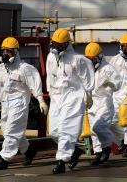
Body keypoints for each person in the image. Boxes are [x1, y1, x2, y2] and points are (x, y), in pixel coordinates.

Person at [0, 37, 48, 171]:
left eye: (8, 51)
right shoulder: (1, 68)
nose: (5, 54)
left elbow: (34, 85)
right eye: (4, 51)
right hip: (6, 102)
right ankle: (28, 151)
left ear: (15, 52)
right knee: (7, 129)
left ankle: (4, 159)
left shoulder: (25, 69)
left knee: (12, 130)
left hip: (19, 103)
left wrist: (40, 100)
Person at [47, 28, 95, 174]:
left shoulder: (77, 60)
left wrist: (88, 94)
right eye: (54, 44)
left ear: (67, 44)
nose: (56, 47)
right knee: (55, 131)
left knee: (66, 129)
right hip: (56, 96)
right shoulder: (51, 57)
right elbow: (50, 75)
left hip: (73, 96)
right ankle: (74, 152)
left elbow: (87, 78)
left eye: (59, 45)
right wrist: (50, 92)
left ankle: (61, 161)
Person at [84, 42, 122, 166]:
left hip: (104, 103)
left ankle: (107, 147)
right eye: (88, 59)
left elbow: (118, 83)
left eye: (92, 59)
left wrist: (111, 84)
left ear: (99, 57)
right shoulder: (88, 70)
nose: (90, 62)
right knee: (93, 131)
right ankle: (98, 152)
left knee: (98, 127)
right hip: (91, 103)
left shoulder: (108, 69)